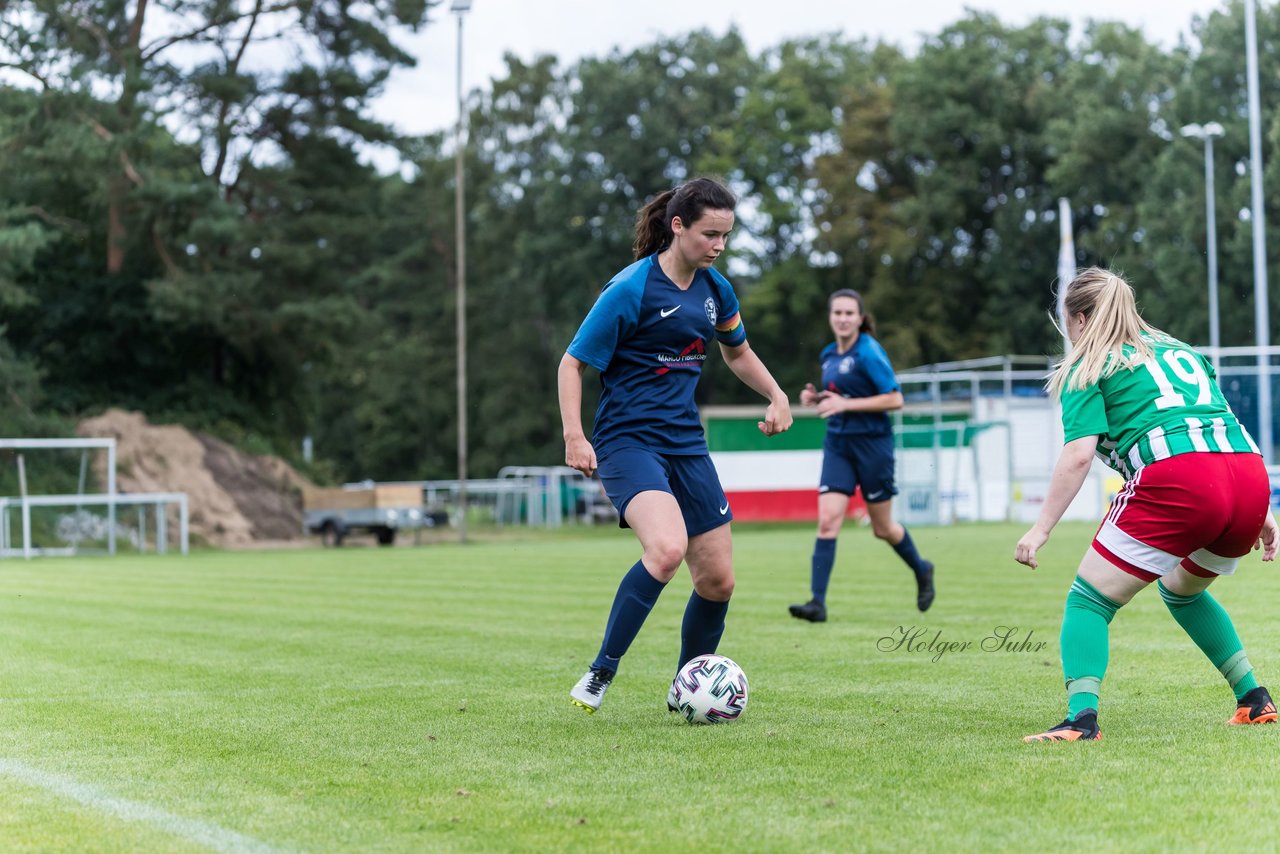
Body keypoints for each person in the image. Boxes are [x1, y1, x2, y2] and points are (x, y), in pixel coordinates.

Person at [559, 177, 793, 714]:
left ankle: (687, 688)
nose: (718, 246)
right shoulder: (630, 290)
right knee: (665, 550)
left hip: (686, 444)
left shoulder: (717, 290)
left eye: (727, 236)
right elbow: (572, 364)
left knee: (718, 579)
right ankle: (600, 672)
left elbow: (737, 352)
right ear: (678, 225)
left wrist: (777, 394)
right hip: (628, 442)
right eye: (710, 234)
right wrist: (575, 434)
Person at [1016, 267, 1279, 742]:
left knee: (1088, 602)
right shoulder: (1181, 351)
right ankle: (1254, 698)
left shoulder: (1087, 365)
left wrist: (1040, 529)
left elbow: (1078, 455)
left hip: (1180, 478)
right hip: (1248, 475)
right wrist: (1261, 509)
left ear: (1077, 318)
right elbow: (1213, 422)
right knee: (1182, 590)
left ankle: (1081, 720)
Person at [788, 289, 935, 623]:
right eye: (837, 313)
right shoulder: (828, 354)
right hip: (838, 444)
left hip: (873, 446)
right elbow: (841, 393)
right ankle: (817, 603)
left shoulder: (869, 351)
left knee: (882, 528)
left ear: (859, 318)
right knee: (827, 522)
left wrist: (844, 404)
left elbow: (895, 399)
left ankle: (922, 568)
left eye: (849, 313)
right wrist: (820, 397)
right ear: (830, 317)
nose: (842, 319)